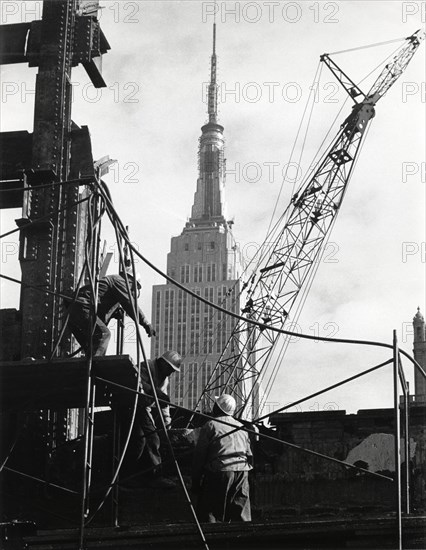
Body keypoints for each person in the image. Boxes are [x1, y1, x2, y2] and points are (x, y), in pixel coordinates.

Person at [117, 350, 182, 489]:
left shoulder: (164, 379)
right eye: (170, 369)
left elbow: (163, 404)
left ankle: (144, 475)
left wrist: (167, 422)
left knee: (151, 438)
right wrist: (156, 392)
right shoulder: (147, 366)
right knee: (142, 439)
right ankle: (134, 476)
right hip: (130, 404)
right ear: (163, 363)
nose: (170, 373)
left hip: (142, 408)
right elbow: (138, 384)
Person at [192, 394, 253, 522]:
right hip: (242, 472)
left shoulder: (211, 425)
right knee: (240, 513)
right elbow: (249, 455)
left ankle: (212, 538)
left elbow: (199, 455)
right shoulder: (242, 428)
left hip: (220, 471)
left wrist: (196, 481)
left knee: (211, 511)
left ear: (218, 407)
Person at [66, 271, 155, 356]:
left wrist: (113, 313)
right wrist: (145, 323)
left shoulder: (113, 283)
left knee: (90, 343)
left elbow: (100, 311)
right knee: (104, 334)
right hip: (82, 307)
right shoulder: (120, 281)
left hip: (75, 309)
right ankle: (95, 366)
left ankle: (89, 366)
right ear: (131, 281)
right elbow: (130, 304)